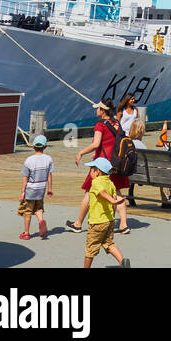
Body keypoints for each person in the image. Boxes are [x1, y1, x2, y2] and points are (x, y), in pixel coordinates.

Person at [66, 101, 129, 236]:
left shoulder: (100, 125)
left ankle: (78, 224)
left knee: (89, 192)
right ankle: (123, 225)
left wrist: (81, 152)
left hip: (101, 163)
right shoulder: (117, 123)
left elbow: (96, 144)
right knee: (117, 192)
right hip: (116, 162)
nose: (96, 111)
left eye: (98, 109)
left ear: (103, 110)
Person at [83, 157, 130, 269]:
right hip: (109, 220)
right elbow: (112, 203)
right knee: (108, 243)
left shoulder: (96, 182)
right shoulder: (110, 183)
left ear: (97, 172)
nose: (90, 172)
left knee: (91, 247)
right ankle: (122, 262)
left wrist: (112, 200)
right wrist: (112, 214)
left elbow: (102, 193)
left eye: (91, 169)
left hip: (97, 221)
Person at [18, 134, 53, 240]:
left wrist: (22, 192)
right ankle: (41, 220)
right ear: (45, 147)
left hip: (30, 190)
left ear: (33, 146)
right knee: (39, 208)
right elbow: (49, 176)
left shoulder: (29, 160)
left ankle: (26, 232)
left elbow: (25, 177)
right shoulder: (48, 159)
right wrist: (50, 189)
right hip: (41, 189)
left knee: (27, 211)